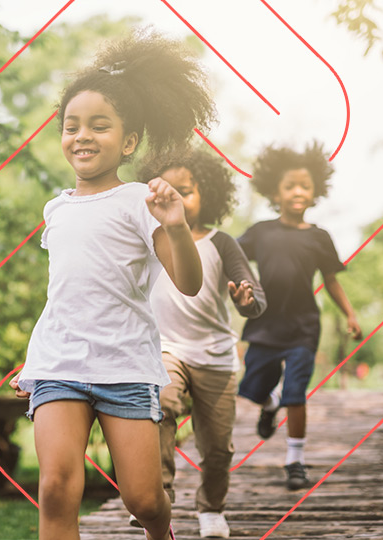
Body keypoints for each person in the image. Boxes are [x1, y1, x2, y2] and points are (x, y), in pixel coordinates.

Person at [8, 28, 215, 540]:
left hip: (123, 364)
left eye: (99, 126)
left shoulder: (140, 201)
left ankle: (159, 532)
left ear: (127, 141)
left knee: (143, 498)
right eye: (71, 125)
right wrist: (35, 363)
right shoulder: (55, 209)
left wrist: (175, 224)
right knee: (56, 488)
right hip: (60, 363)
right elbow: (64, 295)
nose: (82, 136)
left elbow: (189, 282)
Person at [123, 148, 265, 538]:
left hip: (215, 357)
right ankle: (159, 495)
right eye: (168, 191)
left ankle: (211, 508)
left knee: (217, 448)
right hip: (166, 350)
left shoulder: (222, 243)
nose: (177, 200)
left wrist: (246, 299)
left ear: (208, 194)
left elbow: (253, 293)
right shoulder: (149, 241)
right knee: (162, 405)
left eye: (186, 191)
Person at [236, 142, 363, 491]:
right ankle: (269, 402)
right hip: (264, 325)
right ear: (275, 191)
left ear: (315, 192)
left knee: (296, 392)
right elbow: (229, 257)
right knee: (253, 387)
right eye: (290, 185)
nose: (297, 192)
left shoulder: (320, 238)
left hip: (303, 329)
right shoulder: (260, 232)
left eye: (304, 186)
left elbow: (332, 282)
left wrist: (350, 315)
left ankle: (295, 461)